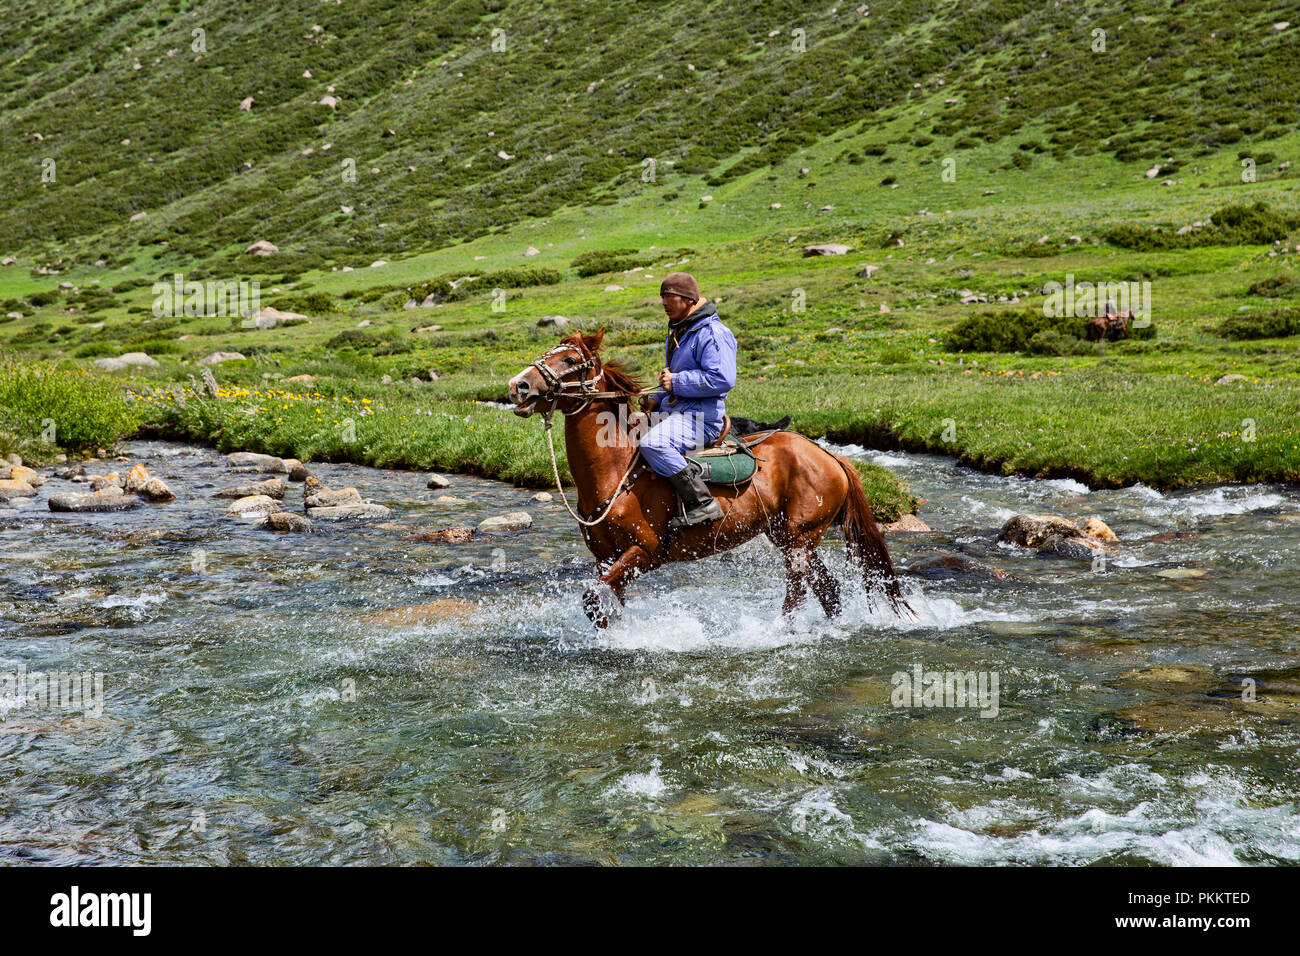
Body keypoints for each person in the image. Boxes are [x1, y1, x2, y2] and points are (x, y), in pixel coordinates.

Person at [640, 272, 737, 529]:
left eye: (669, 297)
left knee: (653, 443)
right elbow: (670, 380)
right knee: (620, 433)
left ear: (689, 299)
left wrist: (677, 382)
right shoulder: (679, 332)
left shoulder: (713, 333)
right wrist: (657, 399)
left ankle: (702, 503)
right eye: (662, 297)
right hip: (677, 414)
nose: (663, 303)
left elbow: (722, 379)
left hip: (702, 420)